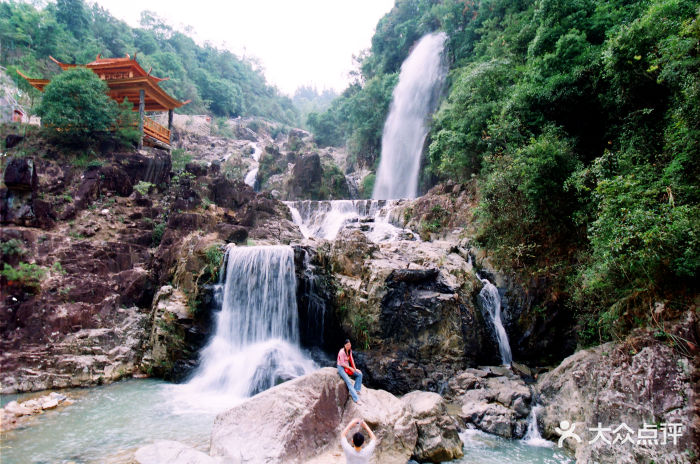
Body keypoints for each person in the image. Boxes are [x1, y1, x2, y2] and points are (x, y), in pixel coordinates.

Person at [337, 339, 363, 404]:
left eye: (350, 344)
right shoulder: (341, 352)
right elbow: (342, 363)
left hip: (347, 367)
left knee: (359, 374)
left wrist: (355, 368)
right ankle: (356, 399)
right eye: (347, 345)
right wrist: (350, 368)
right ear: (344, 345)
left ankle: (356, 390)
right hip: (341, 368)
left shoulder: (350, 351)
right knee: (348, 381)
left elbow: (351, 360)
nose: (349, 346)